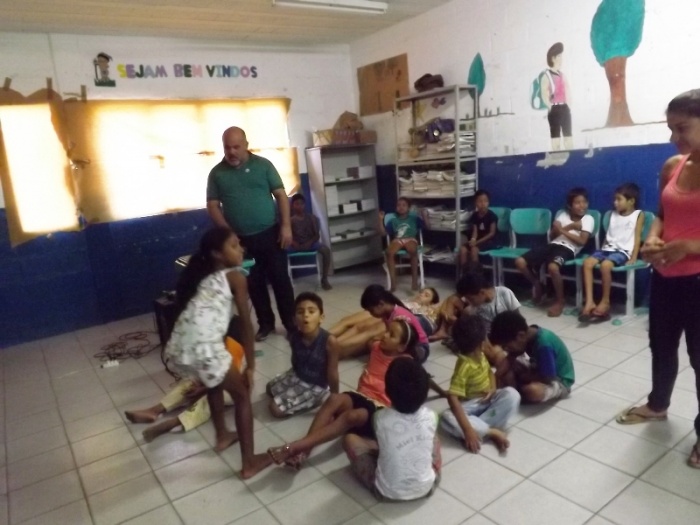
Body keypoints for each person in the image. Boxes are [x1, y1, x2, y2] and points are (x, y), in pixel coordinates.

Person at [615, 89, 700, 470]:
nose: (674, 137)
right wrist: (653, 237)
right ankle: (658, 404)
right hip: (666, 277)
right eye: (671, 128)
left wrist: (690, 246)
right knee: (661, 346)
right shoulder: (673, 166)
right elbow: (662, 214)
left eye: (683, 128)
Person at [163, 226, 270, 479]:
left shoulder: (204, 278)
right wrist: (251, 366)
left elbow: (211, 323)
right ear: (217, 254)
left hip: (184, 346)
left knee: (215, 384)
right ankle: (249, 463)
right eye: (234, 246)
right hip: (205, 346)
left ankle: (222, 435)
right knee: (242, 396)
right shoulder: (236, 278)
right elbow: (246, 324)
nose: (241, 249)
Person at [266, 319, 419, 469]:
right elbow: (364, 343)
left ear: (401, 347)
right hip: (361, 396)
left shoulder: (405, 362)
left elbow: (417, 385)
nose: (385, 335)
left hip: (380, 408)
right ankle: (303, 451)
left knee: (351, 416)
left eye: (392, 335)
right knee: (334, 398)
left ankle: (297, 447)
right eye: (387, 331)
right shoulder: (376, 346)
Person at [206, 126, 295, 341]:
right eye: (227, 147)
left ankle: (291, 324)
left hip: (271, 234)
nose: (231, 152)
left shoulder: (264, 166)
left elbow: (281, 196)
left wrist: (286, 226)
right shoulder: (217, 174)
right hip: (240, 241)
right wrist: (229, 235)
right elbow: (212, 205)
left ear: (246, 145)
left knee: (280, 281)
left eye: (236, 147)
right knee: (253, 284)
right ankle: (266, 324)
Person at [342, 358, 442, 501]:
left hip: (386, 493)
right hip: (427, 487)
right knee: (433, 435)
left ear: (387, 391)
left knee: (350, 439)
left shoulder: (379, 418)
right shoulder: (432, 415)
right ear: (425, 392)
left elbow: (380, 444)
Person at [441, 314, 520, 453]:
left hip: (487, 401)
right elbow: (452, 398)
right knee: (446, 417)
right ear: (482, 343)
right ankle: (490, 431)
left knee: (513, 395)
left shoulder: (481, 355)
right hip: (471, 405)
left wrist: (493, 388)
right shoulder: (464, 365)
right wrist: (467, 429)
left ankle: (480, 429)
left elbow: (490, 373)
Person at [515, 187, 594, 317]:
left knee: (553, 267)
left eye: (584, 202)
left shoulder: (588, 219)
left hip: (568, 248)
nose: (582, 206)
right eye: (577, 202)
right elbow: (552, 236)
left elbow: (581, 241)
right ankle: (538, 285)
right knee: (520, 261)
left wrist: (562, 230)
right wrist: (570, 227)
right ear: (570, 205)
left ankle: (560, 300)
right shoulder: (563, 215)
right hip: (552, 245)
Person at [266, 292, 340, 417]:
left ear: (321, 317)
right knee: (269, 388)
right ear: (295, 319)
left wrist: (335, 398)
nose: (305, 315)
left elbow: (333, 373)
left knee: (275, 409)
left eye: (311, 311)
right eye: (300, 312)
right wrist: (293, 379)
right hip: (298, 375)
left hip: (316, 385)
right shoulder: (294, 337)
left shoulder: (330, 342)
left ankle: (316, 399)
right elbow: (295, 360)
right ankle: (298, 393)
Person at [579, 183, 644, 322]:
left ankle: (605, 301)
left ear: (631, 201)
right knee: (587, 263)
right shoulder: (612, 214)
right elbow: (609, 235)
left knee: (606, 265)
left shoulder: (638, 215)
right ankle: (590, 301)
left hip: (623, 251)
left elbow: (637, 237)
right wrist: (600, 252)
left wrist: (633, 256)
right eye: (615, 199)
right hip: (607, 249)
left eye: (619, 199)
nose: (615, 202)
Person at [490, 311, 575, 404]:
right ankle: (516, 393)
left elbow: (548, 377)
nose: (506, 350)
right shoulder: (528, 335)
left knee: (533, 391)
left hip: (558, 380)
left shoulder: (544, 344)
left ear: (521, 335)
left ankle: (518, 394)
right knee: (505, 370)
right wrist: (494, 378)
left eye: (507, 346)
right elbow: (509, 359)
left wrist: (524, 377)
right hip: (538, 369)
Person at [359, 285, 431, 363]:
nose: (371, 314)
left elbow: (406, 340)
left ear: (381, 304)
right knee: (373, 343)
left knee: (395, 357)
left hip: (418, 346)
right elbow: (390, 333)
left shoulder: (400, 316)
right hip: (403, 344)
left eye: (371, 311)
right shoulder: (386, 314)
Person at [378, 197, 425, 291]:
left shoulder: (414, 218)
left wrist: (424, 216)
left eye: (404, 205)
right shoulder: (393, 220)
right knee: (389, 253)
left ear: (409, 208)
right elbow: (383, 233)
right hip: (398, 239)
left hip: (410, 238)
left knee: (413, 251)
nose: (401, 207)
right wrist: (380, 220)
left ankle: (414, 282)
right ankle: (393, 284)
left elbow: (425, 226)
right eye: (398, 205)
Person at [289, 193, 332, 290]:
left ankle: (324, 279)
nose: (300, 206)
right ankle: (285, 282)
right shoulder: (290, 221)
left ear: (305, 205)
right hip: (295, 245)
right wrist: (293, 243)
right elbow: (288, 236)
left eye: (301, 204)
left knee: (326, 250)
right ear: (293, 205)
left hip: (310, 243)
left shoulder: (312, 218)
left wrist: (309, 242)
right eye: (297, 204)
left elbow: (316, 235)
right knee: (279, 252)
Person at [541, 42, 573, 151]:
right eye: (559, 56)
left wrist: (568, 105)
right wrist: (550, 107)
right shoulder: (547, 76)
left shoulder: (562, 75)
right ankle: (557, 155)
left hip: (564, 108)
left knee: (568, 135)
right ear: (553, 58)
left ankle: (570, 154)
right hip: (554, 108)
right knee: (555, 136)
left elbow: (567, 90)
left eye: (561, 56)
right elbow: (544, 93)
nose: (561, 59)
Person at [459, 190, 498, 271]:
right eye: (480, 201)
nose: (483, 204)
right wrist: (473, 240)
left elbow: (492, 233)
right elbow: (475, 231)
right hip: (477, 241)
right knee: (463, 249)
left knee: (474, 250)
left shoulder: (492, 216)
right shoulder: (475, 215)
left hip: (489, 242)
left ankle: (475, 274)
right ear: (475, 203)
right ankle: (464, 274)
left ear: (488, 202)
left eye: (485, 201)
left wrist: (477, 242)